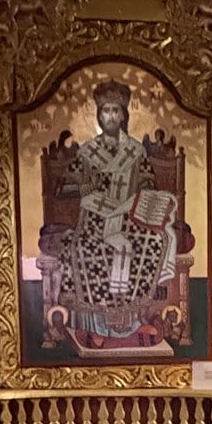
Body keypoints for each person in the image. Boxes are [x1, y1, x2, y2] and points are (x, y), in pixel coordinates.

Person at [55, 79, 177, 342]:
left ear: (123, 115)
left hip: (129, 218)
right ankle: (96, 328)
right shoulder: (87, 152)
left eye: (115, 110)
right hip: (94, 219)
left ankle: (132, 322)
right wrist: (87, 187)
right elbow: (64, 189)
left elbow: (148, 183)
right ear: (99, 115)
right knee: (84, 249)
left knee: (151, 242)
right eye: (105, 111)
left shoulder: (135, 151)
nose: (111, 116)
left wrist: (146, 197)